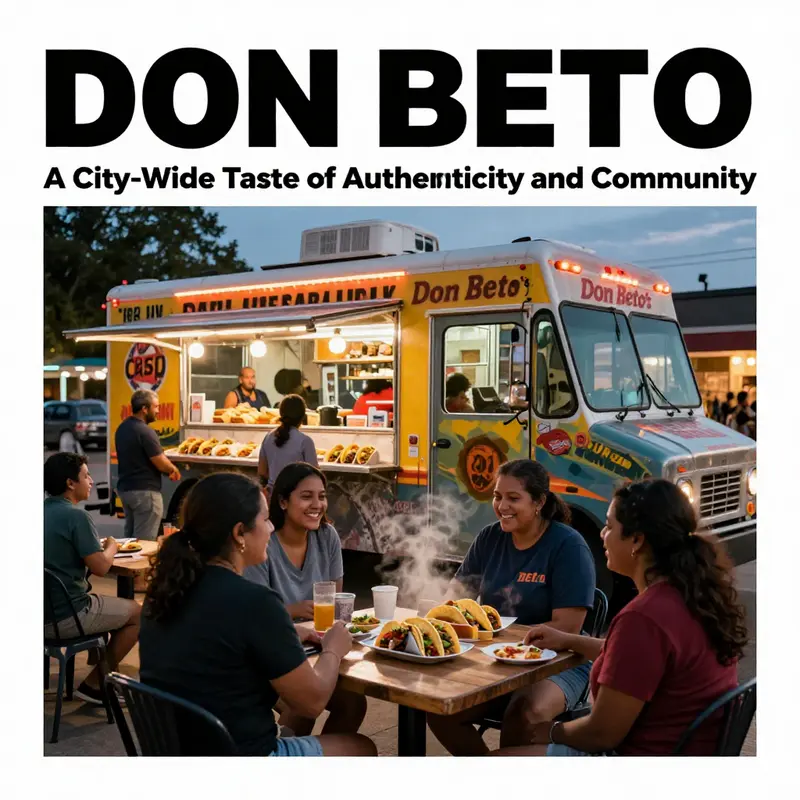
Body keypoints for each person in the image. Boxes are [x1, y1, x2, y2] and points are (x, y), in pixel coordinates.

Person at [492, 479, 747, 757]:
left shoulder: (644, 617)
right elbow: (638, 658)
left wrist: (549, 730)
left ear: (637, 540)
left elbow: (601, 734)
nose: (602, 534)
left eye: (610, 526)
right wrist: (569, 640)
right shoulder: (692, 594)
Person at [139, 472, 375, 757]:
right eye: (265, 519)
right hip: (237, 760)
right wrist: (334, 650)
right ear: (240, 533)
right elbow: (312, 701)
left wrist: (286, 633)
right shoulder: (256, 602)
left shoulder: (164, 592)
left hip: (175, 753)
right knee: (362, 748)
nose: (271, 526)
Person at [427, 459, 596, 755]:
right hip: (498, 661)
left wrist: (507, 640)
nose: (502, 505)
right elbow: (455, 599)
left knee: (524, 713)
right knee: (441, 709)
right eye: (497, 496)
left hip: (562, 663)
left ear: (539, 502)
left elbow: (569, 628)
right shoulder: (489, 537)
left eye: (513, 498)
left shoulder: (569, 546)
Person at [244, 462, 366, 737]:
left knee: (353, 703)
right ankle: (288, 754)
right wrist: (291, 610)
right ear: (284, 501)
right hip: (272, 654)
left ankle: (310, 757)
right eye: (307, 496)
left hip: (314, 646)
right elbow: (254, 619)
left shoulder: (328, 536)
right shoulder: (264, 543)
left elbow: (335, 600)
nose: (318, 504)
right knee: (301, 704)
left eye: (322, 496)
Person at [44, 452, 142, 705]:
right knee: (139, 614)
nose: (90, 481)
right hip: (67, 614)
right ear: (70, 483)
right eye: (86, 476)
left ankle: (96, 661)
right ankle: (95, 684)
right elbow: (100, 567)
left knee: (103, 603)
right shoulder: (76, 516)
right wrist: (112, 546)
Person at [115, 390, 180, 541]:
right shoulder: (145, 431)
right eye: (156, 407)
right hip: (145, 493)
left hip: (126, 490)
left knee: (130, 541)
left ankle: (124, 564)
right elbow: (159, 461)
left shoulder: (122, 428)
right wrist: (173, 469)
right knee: (144, 542)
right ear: (145, 409)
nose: (158, 411)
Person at [257, 395, 318, 490]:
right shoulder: (305, 441)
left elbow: (262, 471)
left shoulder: (268, 437)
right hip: (295, 497)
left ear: (281, 414)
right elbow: (315, 476)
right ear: (302, 416)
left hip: (273, 495)